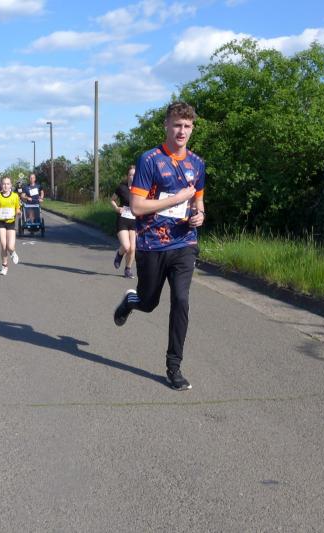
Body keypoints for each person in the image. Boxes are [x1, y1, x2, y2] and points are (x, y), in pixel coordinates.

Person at [113, 101, 206, 391]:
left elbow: (198, 202)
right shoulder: (150, 160)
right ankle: (131, 301)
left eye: (187, 126)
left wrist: (200, 215)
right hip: (152, 244)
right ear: (166, 125)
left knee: (181, 300)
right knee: (149, 302)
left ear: (192, 128)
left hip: (184, 242)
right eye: (177, 125)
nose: (182, 131)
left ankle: (173, 367)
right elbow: (137, 207)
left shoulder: (197, 164)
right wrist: (176, 199)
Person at [0, 176, 21, 275]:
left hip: (11, 222)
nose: (5, 186)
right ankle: (4, 266)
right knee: (3, 245)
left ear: (11, 185)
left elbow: (17, 208)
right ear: (1, 185)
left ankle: (12, 252)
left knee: (10, 246)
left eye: (7, 184)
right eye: (3, 184)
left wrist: (18, 212)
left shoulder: (15, 196)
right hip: (1, 222)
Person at [110, 165, 137, 278]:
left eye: (134, 175)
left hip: (134, 221)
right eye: (130, 175)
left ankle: (128, 269)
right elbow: (112, 200)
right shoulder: (121, 188)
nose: (132, 177)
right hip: (123, 219)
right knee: (126, 246)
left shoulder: (140, 189)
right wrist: (116, 208)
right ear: (127, 176)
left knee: (132, 248)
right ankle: (119, 254)